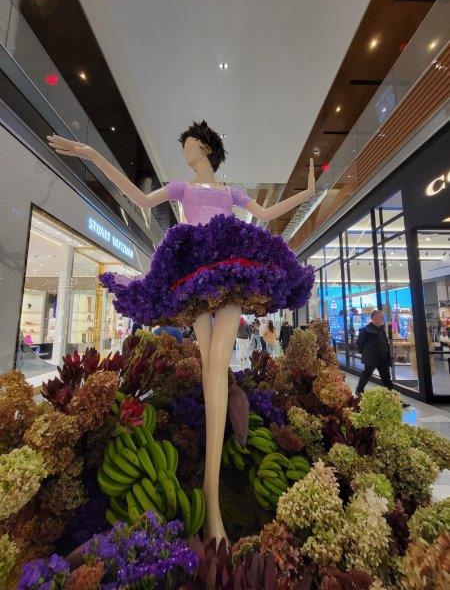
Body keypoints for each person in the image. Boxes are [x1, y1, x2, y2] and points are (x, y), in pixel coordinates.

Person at [47, 120, 315, 544]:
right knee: (212, 364)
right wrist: (92, 154)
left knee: (216, 363)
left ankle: (212, 495)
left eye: (189, 144)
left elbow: (265, 215)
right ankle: (211, 497)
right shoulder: (181, 189)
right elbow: (139, 197)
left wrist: (306, 192)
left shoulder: (230, 193)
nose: (185, 150)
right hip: (193, 270)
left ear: (205, 147)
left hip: (229, 269)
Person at [356, 310, 409, 407]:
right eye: (381, 318)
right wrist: (367, 354)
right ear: (375, 318)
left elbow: (385, 342)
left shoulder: (381, 329)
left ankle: (394, 400)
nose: (383, 319)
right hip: (372, 358)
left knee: (387, 379)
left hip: (382, 358)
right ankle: (359, 392)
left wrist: (387, 354)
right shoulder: (366, 330)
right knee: (366, 376)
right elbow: (359, 345)